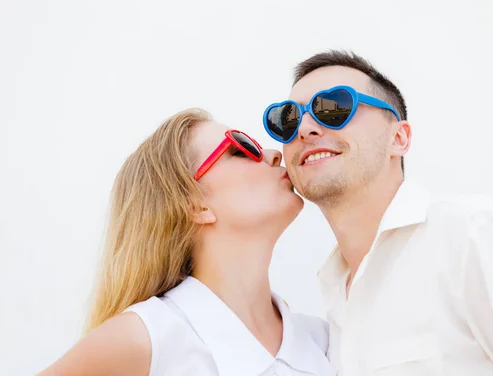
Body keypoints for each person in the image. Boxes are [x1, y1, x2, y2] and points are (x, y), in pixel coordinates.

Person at [262, 50, 493, 375]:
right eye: (288, 118)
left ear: (399, 138)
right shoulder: (334, 293)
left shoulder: (470, 235)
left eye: (333, 107)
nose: (305, 128)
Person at [38, 108, 336, 376]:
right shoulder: (147, 336)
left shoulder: (323, 341)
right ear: (194, 204)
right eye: (242, 149)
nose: (274, 154)